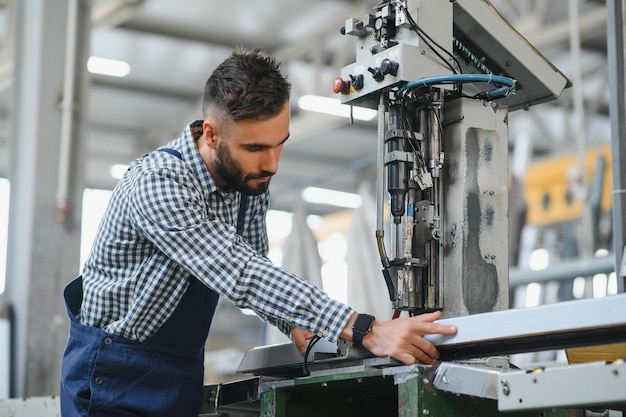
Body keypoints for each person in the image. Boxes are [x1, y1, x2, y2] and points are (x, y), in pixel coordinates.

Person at [60, 48, 457, 417]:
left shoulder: (247, 181)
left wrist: (292, 321)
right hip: (113, 375)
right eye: (255, 148)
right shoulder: (159, 183)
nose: (272, 164)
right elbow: (240, 272)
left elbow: (256, 263)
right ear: (211, 134)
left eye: (279, 144)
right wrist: (364, 328)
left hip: (178, 371)